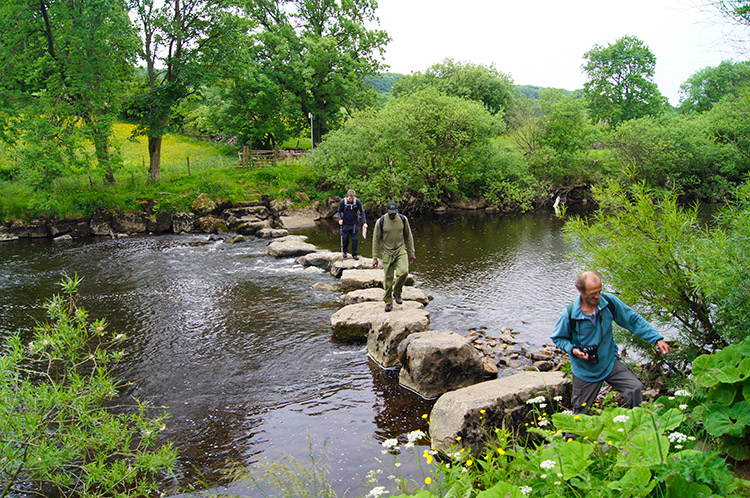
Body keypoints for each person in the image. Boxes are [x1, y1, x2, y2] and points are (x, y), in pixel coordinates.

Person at [551, 271, 670, 415]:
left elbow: (632, 320)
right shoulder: (569, 314)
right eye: (592, 293)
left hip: (609, 362)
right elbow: (558, 339)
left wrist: (656, 339)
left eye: (599, 292)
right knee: (580, 415)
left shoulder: (609, 303)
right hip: (585, 370)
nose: (597, 297)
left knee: (636, 389)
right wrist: (573, 350)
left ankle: (644, 429)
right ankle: (572, 437)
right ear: (580, 291)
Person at [372, 201, 416, 312]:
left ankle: (397, 293)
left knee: (404, 272)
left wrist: (412, 252)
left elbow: (409, 236)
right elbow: (376, 240)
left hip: (400, 249)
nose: (392, 214)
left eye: (394, 212)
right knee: (388, 278)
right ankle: (388, 302)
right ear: (386, 211)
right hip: (387, 252)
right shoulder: (380, 222)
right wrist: (375, 257)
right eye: (390, 212)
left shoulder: (403, 219)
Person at [337, 189, 367, 260]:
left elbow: (362, 212)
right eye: (350, 197)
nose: (351, 199)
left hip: (354, 223)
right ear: (348, 196)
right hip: (345, 223)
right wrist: (340, 219)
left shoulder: (357, 202)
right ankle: (345, 252)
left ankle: (354, 254)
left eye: (352, 197)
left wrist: (364, 222)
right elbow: (339, 211)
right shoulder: (343, 202)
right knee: (345, 238)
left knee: (355, 239)